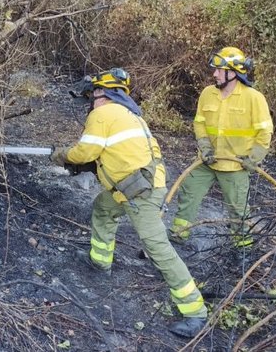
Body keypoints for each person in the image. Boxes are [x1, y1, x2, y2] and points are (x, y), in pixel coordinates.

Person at [51, 68, 208, 338]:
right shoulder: (128, 114)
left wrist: (60, 155)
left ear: (101, 92)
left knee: (157, 247)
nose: (90, 99)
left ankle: (195, 312)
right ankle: (100, 262)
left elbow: (85, 151)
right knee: (102, 207)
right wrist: (91, 166)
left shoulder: (102, 113)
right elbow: (113, 154)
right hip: (136, 185)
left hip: (140, 193)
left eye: (92, 93)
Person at [170, 47, 273, 248]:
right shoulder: (208, 94)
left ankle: (243, 248)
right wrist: (205, 147)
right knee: (188, 193)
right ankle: (178, 235)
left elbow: (265, 133)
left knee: (238, 211)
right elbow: (199, 123)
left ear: (233, 72)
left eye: (218, 70)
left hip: (236, 166)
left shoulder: (253, 98)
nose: (214, 74)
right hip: (207, 161)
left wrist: (253, 159)